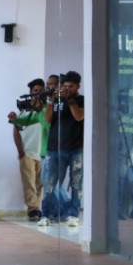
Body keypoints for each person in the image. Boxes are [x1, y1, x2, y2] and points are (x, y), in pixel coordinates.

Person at [39, 70, 85, 228]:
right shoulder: (56, 101)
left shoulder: (82, 100)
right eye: (64, 86)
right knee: (49, 183)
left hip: (75, 149)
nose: (67, 89)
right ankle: (45, 214)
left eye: (71, 86)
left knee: (76, 183)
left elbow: (79, 116)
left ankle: (74, 215)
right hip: (54, 148)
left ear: (78, 86)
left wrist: (70, 100)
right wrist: (51, 101)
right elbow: (48, 119)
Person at [7, 79, 49, 222]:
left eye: (40, 90)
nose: (38, 92)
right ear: (30, 93)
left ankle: (37, 208)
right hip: (27, 152)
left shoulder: (46, 110)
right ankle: (33, 209)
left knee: (40, 183)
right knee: (29, 183)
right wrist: (20, 151)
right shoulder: (24, 111)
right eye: (35, 90)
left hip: (43, 152)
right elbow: (16, 130)